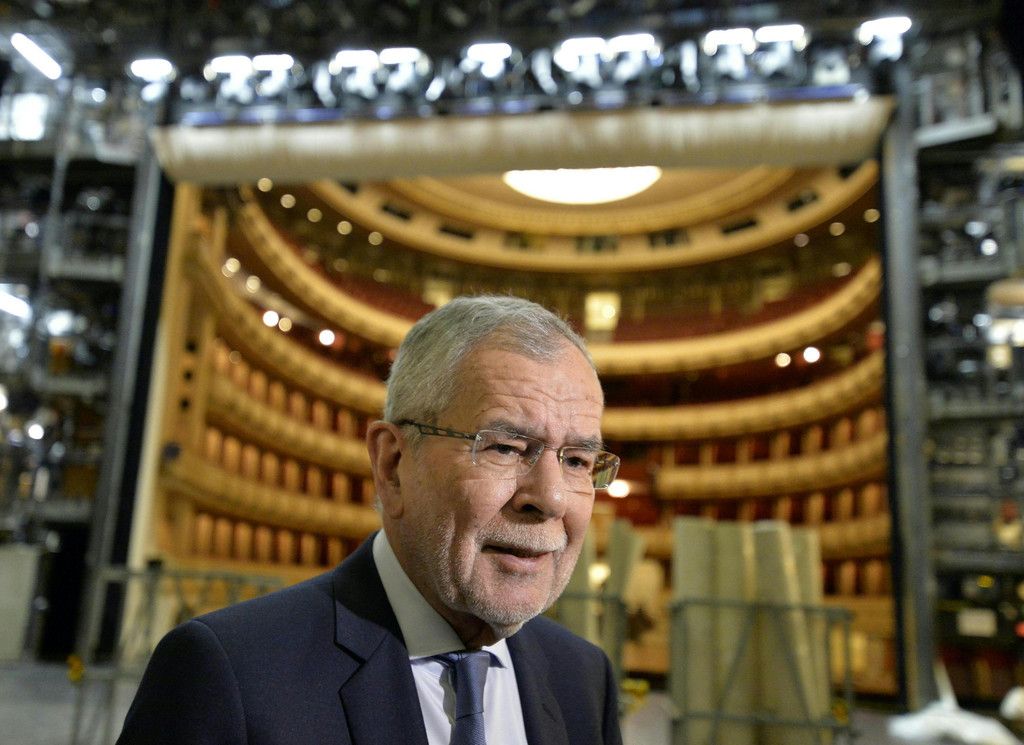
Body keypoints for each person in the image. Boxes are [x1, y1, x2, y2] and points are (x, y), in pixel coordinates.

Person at [117, 295, 624, 745]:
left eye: (579, 460)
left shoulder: (583, 678)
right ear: (393, 465)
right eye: (506, 448)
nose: (551, 497)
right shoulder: (228, 674)